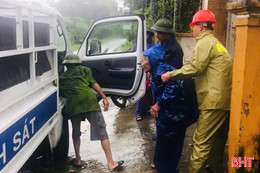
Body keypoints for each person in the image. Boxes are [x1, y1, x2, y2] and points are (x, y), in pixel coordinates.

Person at [161, 10, 233, 173]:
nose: (192, 29)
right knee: (218, 140)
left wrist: (170, 75)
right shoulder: (216, 43)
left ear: (200, 26)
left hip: (212, 102)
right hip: (224, 101)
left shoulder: (204, 43)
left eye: (193, 26)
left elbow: (196, 67)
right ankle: (214, 168)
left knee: (201, 142)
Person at [59, 54, 124, 172]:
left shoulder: (62, 78)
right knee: (102, 131)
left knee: (76, 132)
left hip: (73, 106)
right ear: (78, 63)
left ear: (66, 65)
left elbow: (61, 95)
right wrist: (104, 97)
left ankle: (78, 159)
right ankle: (111, 163)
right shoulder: (85, 70)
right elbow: (94, 84)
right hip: (89, 102)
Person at [141, 44, 194, 173]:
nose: (141, 63)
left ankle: (167, 168)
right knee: (165, 141)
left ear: (152, 60)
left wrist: (158, 104)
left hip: (174, 114)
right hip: (171, 112)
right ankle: (164, 165)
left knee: (170, 143)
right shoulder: (157, 69)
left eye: (144, 60)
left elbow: (173, 88)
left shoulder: (160, 70)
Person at [135, 28, 155, 121]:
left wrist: (150, 71)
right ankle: (139, 112)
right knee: (141, 90)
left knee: (149, 90)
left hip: (149, 71)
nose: (145, 36)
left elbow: (154, 59)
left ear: (149, 36)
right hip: (140, 70)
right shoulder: (137, 45)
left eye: (147, 34)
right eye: (144, 34)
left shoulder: (152, 46)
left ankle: (148, 108)